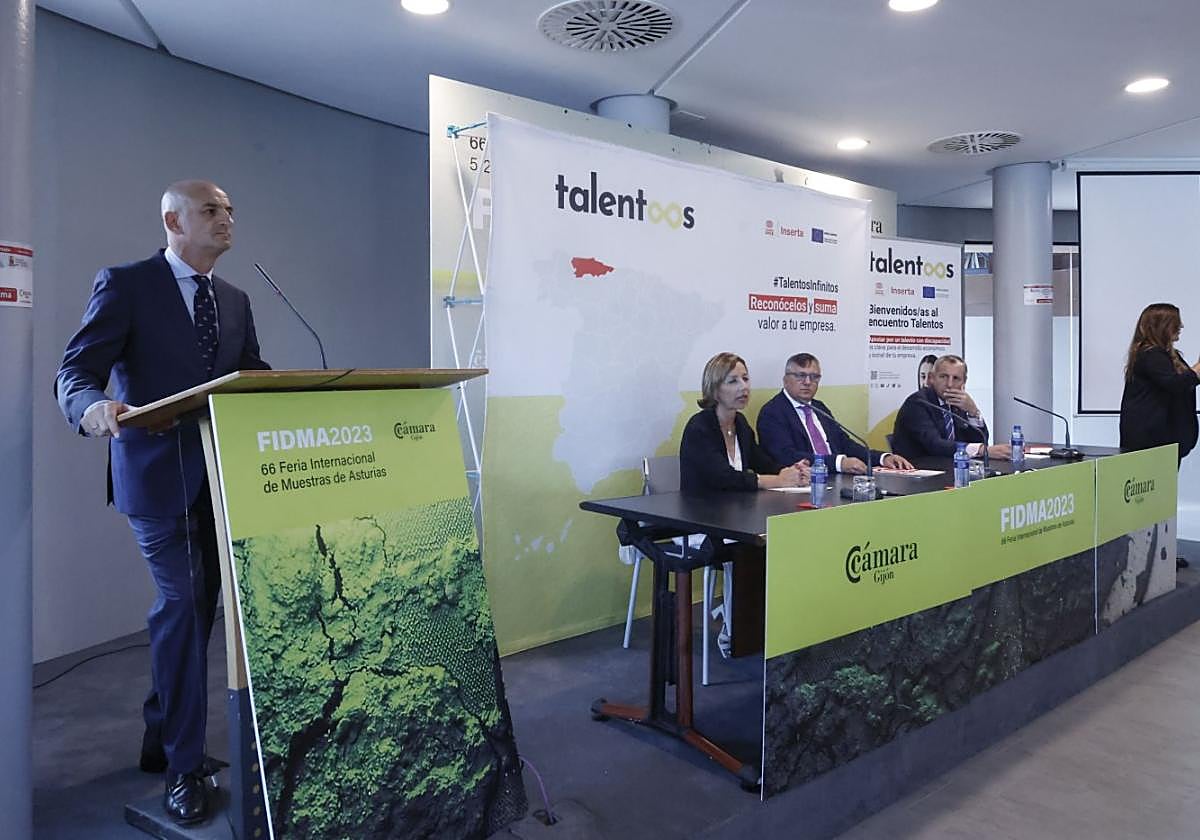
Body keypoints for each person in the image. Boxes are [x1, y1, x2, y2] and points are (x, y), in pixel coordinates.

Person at [55, 180, 270, 826]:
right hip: (155, 476)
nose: (227, 218)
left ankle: (159, 730)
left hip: (219, 476)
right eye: (212, 210)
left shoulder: (234, 299)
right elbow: (76, 371)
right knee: (181, 602)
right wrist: (91, 409)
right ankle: (183, 765)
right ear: (175, 220)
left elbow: (249, 371)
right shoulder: (126, 284)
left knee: (197, 608)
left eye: (231, 209)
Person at [1119, 303, 1200, 568]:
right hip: (1151, 441)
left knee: (1161, 498)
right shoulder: (1150, 355)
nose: (1181, 328)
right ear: (1162, 326)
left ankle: (1160, 553)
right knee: (1151, 499)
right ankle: (1147, 558)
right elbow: (1178, 384)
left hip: (1166, 439)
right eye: (1176, 323)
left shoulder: (1168, 355)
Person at [757, 352, 914, 474]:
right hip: (803, 485)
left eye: (814, 377)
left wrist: (883, 458)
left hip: (836, 480)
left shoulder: (819, 408)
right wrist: (839, 463)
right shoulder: (772, 412)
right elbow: (786, 457)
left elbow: (845, 444)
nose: (807, 382)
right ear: (785, 380)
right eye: (800, 376)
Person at [679, 352, 809, 492]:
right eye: (733, 381)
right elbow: (724, 478)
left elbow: (763, 463)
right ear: (714, 389)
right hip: (702, 510)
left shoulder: (740, 423)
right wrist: (777, 480)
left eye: (745, 379)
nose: (744, 387)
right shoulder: (699, 427)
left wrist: (793, 472)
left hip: (738, 508)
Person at [891, 354, 1011, 462]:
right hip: (919, 472)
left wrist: (973, 412)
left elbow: (980, 439)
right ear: (932, 378)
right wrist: (980, 450)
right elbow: (935, 445)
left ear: (964, 381)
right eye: (943, 377)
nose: (949, 384)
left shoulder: (957, 403)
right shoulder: (918, 403)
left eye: (956, 378)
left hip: (951, 467)